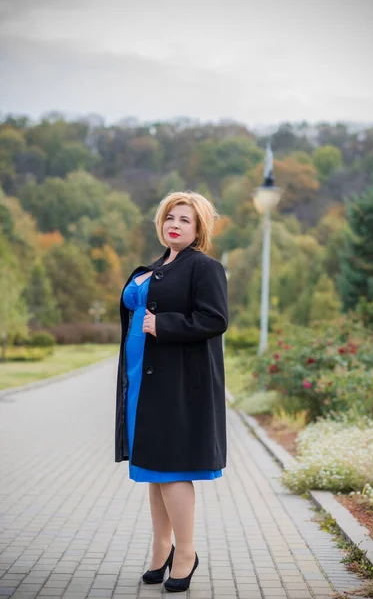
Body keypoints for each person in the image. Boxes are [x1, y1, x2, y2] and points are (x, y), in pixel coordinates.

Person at [115, 191, 228, 593]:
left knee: (174, 469)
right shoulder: (154, 267)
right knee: (152, 469)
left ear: (198, 229)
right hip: (142, 378)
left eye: (186, 219)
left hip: (179, 382)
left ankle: (186, 552)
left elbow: (215, 319)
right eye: (170, 217)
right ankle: (161, 548)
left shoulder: (204, 268)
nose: (175, 224)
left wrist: (163, 325)